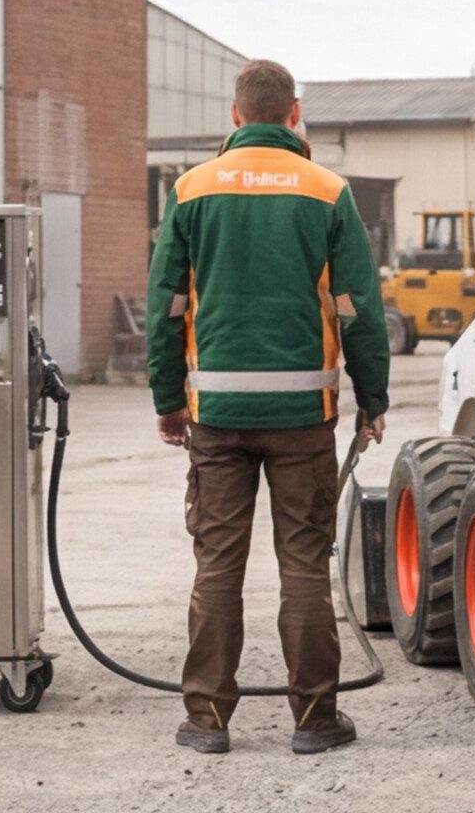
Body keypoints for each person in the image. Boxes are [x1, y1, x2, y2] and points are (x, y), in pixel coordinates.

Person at [146, 59, 391, 755]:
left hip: (217, 418)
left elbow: (168, 306)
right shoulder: (327, 190)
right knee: (305, 567)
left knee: (217, 565)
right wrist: (372, 398)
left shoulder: (191, 190)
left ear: (234, 116)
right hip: (302, 421)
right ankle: (315, 720)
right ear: (294, 114)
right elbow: (359, 311)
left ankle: (206, 720)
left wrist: (169, 401)